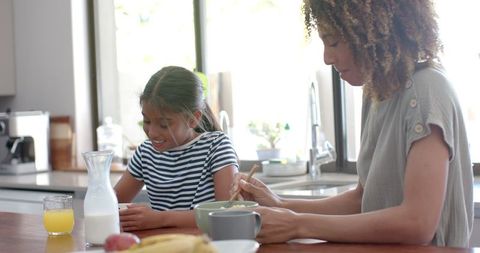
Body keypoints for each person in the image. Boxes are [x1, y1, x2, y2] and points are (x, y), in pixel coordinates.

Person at [232, 0, 473, 247]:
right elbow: (362, 200)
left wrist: (297, 224)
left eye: (334, 42)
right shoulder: (378, 92)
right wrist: (281, 205)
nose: (326, 58)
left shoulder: (427, 90)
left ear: (376, 34)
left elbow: (417, 223)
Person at [115, 66, 238, 231]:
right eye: (147, 121)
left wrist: (159, 219)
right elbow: (112, 203)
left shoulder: (216, 147)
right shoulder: (145, 153)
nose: (152, 133)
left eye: (164, 124)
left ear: (193, 119)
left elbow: (226, 214)